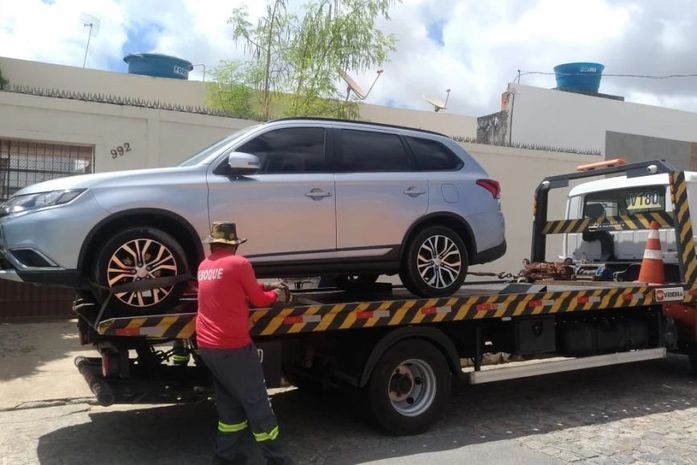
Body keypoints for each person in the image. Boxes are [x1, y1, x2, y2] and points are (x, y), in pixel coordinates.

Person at [196, 221, 292, 465]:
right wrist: (275, 294)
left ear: (213, 244)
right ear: (234, 245)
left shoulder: (204, 266)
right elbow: (259, 300)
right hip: (234, 348)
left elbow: (232, 285)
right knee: (258, 405)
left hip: (208, 347)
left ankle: (225, 457)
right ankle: (277, 460)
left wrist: (266, 284)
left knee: (230, 407)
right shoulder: (240, 263)